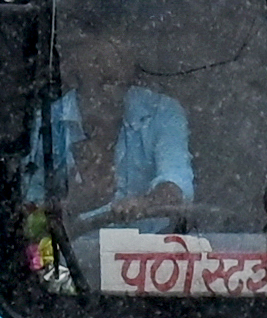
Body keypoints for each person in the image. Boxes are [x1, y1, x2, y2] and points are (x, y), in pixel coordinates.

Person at [37, 34, 196, 228]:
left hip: (151, 254)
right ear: (72, 64)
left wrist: (147, 203)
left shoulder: (161, 113)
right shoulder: (47, 125)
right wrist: (73, 206)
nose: (110, 69)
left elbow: (177, 182)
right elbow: (26, 218)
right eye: (97, 60)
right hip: (72, 255)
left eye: (119, 56)